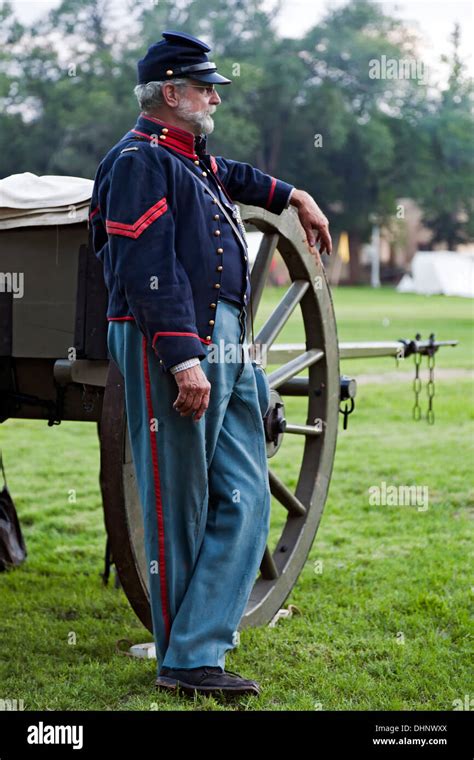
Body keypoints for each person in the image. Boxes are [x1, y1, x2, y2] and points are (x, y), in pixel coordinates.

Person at [89, 30, 331, 699]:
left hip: (225, 338)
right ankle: (188, 658)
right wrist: (181, 359)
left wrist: (294, 193)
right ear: (171, 93)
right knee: (178, 505)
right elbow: (145, 268)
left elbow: (240, 179)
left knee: (249, 495)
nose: (214, 96)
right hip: (173, 341)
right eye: (204, 86)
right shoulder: (138, 161)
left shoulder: (190, 159)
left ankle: (197, 645)